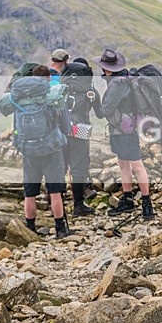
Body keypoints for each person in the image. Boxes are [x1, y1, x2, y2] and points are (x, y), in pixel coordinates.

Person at [10, 66, 74, 238]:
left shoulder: (21, 98)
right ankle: (61, 229)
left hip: (28, 150)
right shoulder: (50, 96)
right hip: (50, 149)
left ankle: (30, 229)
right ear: (46, 78)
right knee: (55, 190)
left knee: (29, 192)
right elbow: (65, 124)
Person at [93, 48, 155, 220]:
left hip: (124, 131)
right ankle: (129, 199)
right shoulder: (124, 78)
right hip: (124, 129)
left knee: (136, 165)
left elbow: (105, 111)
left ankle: (146, 203)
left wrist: (94, 99)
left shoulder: (117, 84)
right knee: (123, 163)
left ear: (107, 68)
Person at [61, 58, 104, 217]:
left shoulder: (60, 88)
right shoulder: (90, 90)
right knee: (79, 168)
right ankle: (78, 205)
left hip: (62, 131)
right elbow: (100, 114)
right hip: (80, 133)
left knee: (61, 166)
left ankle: (56, 203)